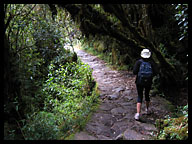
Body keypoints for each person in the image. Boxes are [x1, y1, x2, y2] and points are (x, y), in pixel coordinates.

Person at [133, 49, 158, 120]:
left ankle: (138, 114)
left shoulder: (138, 62)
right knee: (147, 94)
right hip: (149, 81)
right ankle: (147, 110)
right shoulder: (151, 62)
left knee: (140, 96)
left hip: (139, 81)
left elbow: (134, 72)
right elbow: (156, 72)